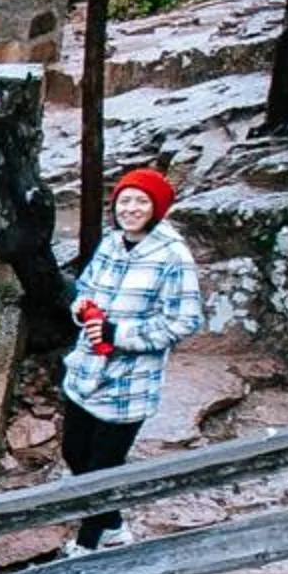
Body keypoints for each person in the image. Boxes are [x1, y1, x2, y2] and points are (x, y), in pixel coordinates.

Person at [60, 166, 205, 548]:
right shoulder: (111, 243)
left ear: (156, 208)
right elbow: (86, 286)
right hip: (86, 369)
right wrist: (83, 309)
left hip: (130, 381)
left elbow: (185, 319)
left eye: (141, 201)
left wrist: (121, 335)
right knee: (73, 452)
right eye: (125, 200)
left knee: (102, 469)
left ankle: (88, 544)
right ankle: (114, 525)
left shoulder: (173, 256)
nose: (131, 208)